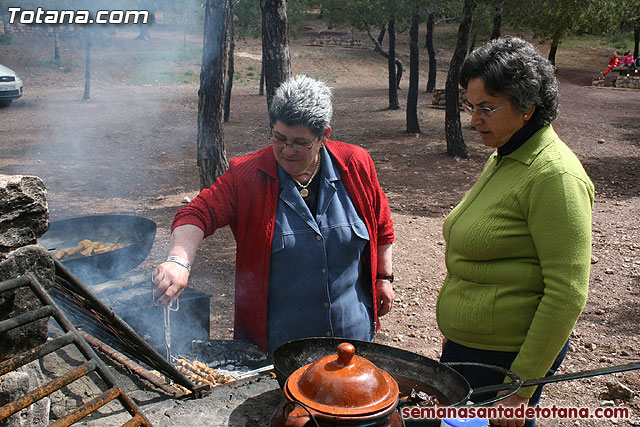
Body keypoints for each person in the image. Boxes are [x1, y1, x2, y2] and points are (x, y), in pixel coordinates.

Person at [152, 75, 395, 354]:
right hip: (280, 346)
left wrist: (383, 278)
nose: (286, 151)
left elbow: (381, 224)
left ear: (324, 136)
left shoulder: (355, 163)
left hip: (351, 336)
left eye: (299, 142)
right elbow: (196, 213)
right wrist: (178, 261)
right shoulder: (248, 174)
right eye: (279, 138)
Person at [437, 37, 594, 427]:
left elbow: (567, 292)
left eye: (487, 108)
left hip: (503, 363)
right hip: (471, 350)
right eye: (471, 106)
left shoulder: (554, 175)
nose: (474, 119)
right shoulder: (505, 155)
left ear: (528, 108)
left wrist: (520, 390)